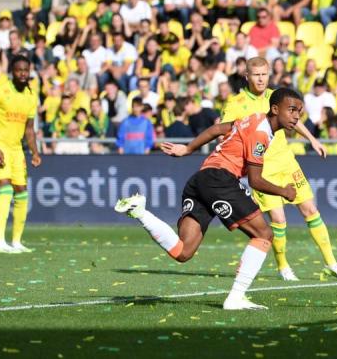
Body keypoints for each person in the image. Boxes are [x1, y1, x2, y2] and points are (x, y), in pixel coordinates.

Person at [115, 88, 302, 310]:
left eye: (299, 111)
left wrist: (188, 149)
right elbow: (255, 180)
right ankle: (236, 298)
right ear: (274, 109)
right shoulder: (261, 133)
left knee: (183, 251)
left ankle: (141, 212)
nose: (296, 116)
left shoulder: (252, 119)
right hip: (220, 180)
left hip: (201, 179)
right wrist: (284, 191)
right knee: (263, 234)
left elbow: (217, 129)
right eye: (291, 110)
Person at [220, 57, 337, 282]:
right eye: (256, 75)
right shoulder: (236, 104)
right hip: (262, 170)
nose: (261, 79)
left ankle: (331, 263)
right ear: (247, 77)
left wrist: (312, 139)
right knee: (279, 219)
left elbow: (294, 119)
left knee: (310, 209)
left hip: (287, 163)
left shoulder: (277, 97)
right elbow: (225, 132)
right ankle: (283, 267)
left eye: (264, 74)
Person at [0, 55, 41, 253]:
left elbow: (30, 129)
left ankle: (16, 242)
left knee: (22, 193)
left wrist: (34, 152)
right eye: (19, 70)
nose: (23, 73)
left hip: (16, 149)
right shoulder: (0, 91)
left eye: (26, 69)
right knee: (5, 189)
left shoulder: (31, 96)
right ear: (12, 72)